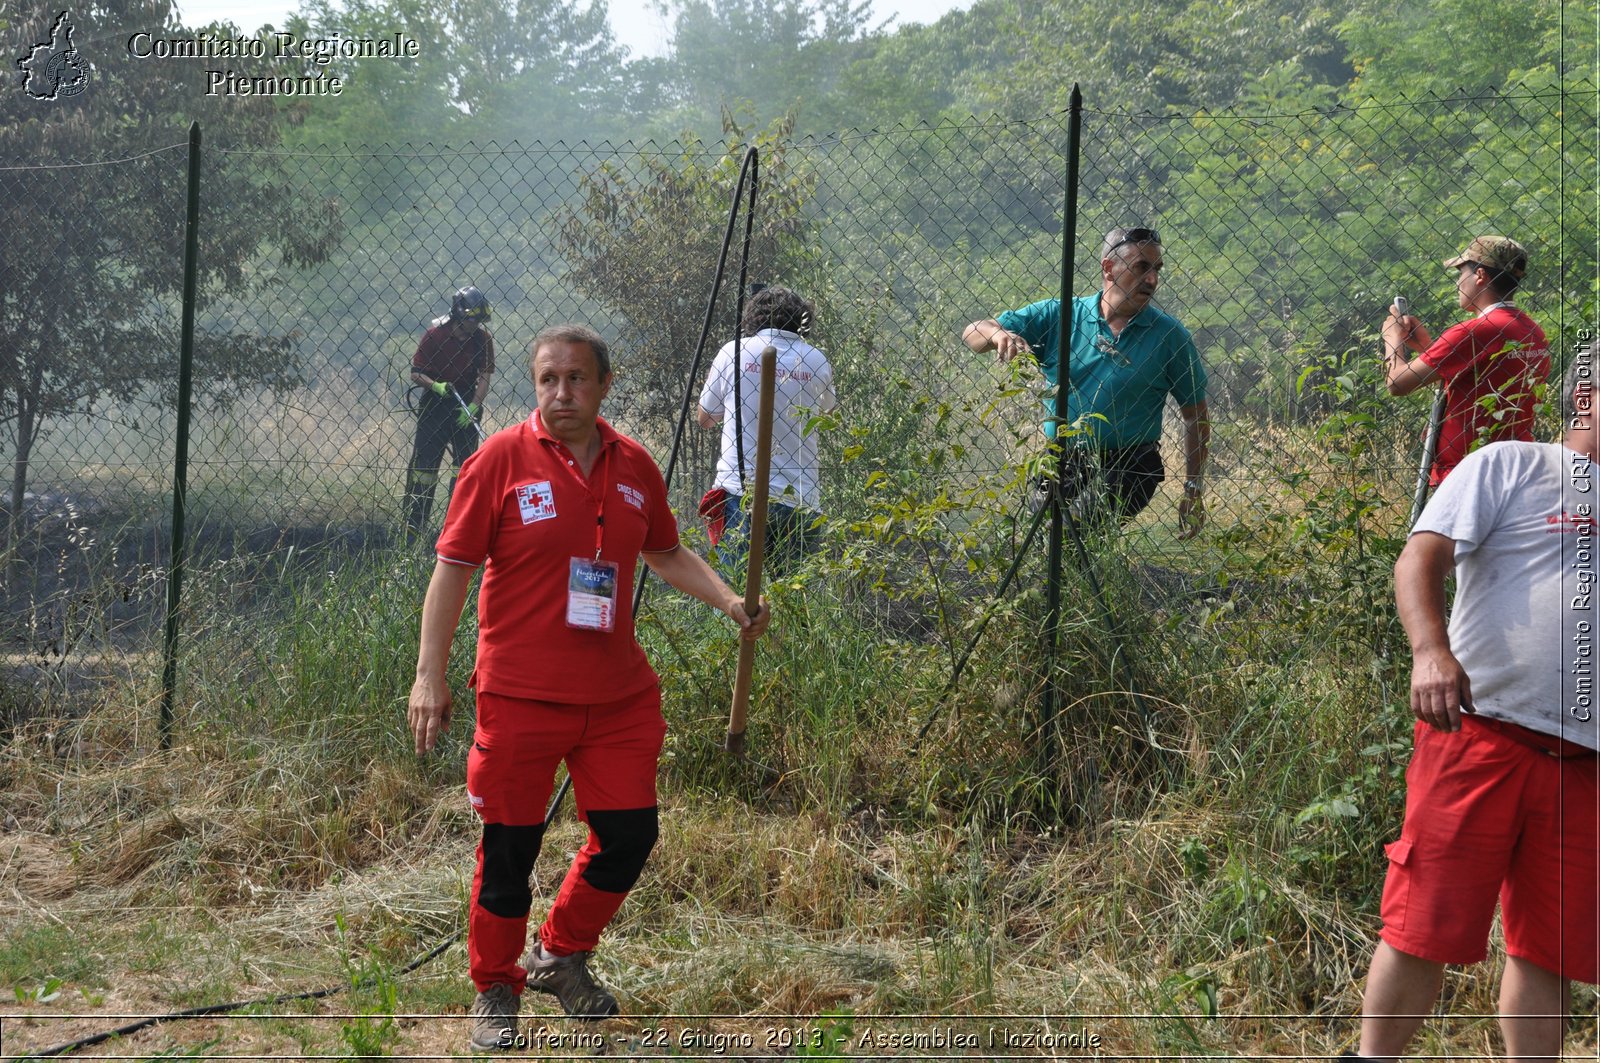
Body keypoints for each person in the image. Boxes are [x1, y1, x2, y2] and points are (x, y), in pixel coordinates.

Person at [407, 325, 770, 1052]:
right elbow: (452, 570)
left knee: (630, 836)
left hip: (617, 701)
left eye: (576, 378)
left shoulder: (634, 465)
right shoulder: (497, 462)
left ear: (604, 384)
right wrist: (428, 674)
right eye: (547, 379)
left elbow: (665, 551)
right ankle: (496, 986)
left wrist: (730, 601)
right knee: (510, 850)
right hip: (519, 695)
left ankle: (559, 954)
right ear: (533, 384)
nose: (561, 393)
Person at [1341, 346, 1598, 1062]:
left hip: (1585, 765)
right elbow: (1418, 559)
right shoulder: (1511, 465)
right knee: (1423, 924)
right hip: (1481, 733)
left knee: (1551, 950)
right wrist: (1429, 651)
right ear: (1584, 400)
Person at [962, 226, 1209, 536]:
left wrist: (1193, 489)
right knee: (1042, 541)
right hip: (1064, 459)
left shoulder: (1170, 337)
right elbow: (973, 333)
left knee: (1069, 535)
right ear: (1109, 268)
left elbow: (1195, 416)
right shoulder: (1061, 315)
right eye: (1142, 267)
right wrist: (999, 334)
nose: (1152, 280)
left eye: (1157, 269)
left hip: (1131, 464)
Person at [1383, 235, 1550, 486]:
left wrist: (1392, 338)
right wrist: (1427, 348)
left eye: (1461, 274)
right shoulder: (1531, 330)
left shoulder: (1473, 332)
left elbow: (1397, 383)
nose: (1458, 283)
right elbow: (1483, 376)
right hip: (1516, 467)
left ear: (1479, 275)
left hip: (1467, 474)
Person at [697, 285, 838, 572]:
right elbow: (829, 415)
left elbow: (706, 417)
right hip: (801, 498)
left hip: (741, 493)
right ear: (802, 319)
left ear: (753, 318)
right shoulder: (816, 359)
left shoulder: (733, 351)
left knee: (734, 594)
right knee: (794, 597)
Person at [404, 285, 496, 537]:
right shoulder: (435, 335)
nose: (475, 324)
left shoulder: (483, 339)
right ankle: (413, 526)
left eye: (478, 319)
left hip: (466, 401)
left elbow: (485, 376)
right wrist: (436, 386)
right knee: (424, 466)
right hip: (435, 401)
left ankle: (456, 529)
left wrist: (474, 406)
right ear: (458, 314)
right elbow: (416, 373)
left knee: (465, 466)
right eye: (470, 319)